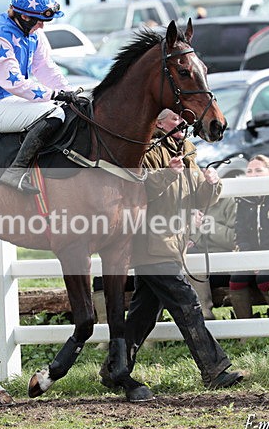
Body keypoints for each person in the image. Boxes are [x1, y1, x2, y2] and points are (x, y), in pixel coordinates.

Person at [100, 109, 243, 400]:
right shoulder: (145, 151)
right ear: (159, 123)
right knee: (187, 303)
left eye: (183, 120)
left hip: (172, 244)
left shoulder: (188, 150)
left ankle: (114, 368)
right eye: (175, 119)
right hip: (150, 244)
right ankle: (214, 369)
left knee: (142, 317)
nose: (182, 124)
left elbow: (196, 199)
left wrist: (211, 185)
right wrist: (166, 176)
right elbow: (138, 194)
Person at [0, 0, 79, 195]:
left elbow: (45, 68)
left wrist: (70, 92)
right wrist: (56, 95)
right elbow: (16, 84)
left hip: (15, 100)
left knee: (71, 109)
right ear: (24, 17)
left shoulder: (32, 33)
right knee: (54, 113)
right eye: (40, 21)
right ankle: (16, 171)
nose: (42, 26)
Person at [229, 155, 269, 318]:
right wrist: (250, 257)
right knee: (237, 279)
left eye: (259, 170)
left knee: (264, 278)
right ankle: (245, 329)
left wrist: (264, 259)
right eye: (250, 171)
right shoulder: (244, 200)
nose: (253, 174)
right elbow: (240, 232)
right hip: (251, 255)